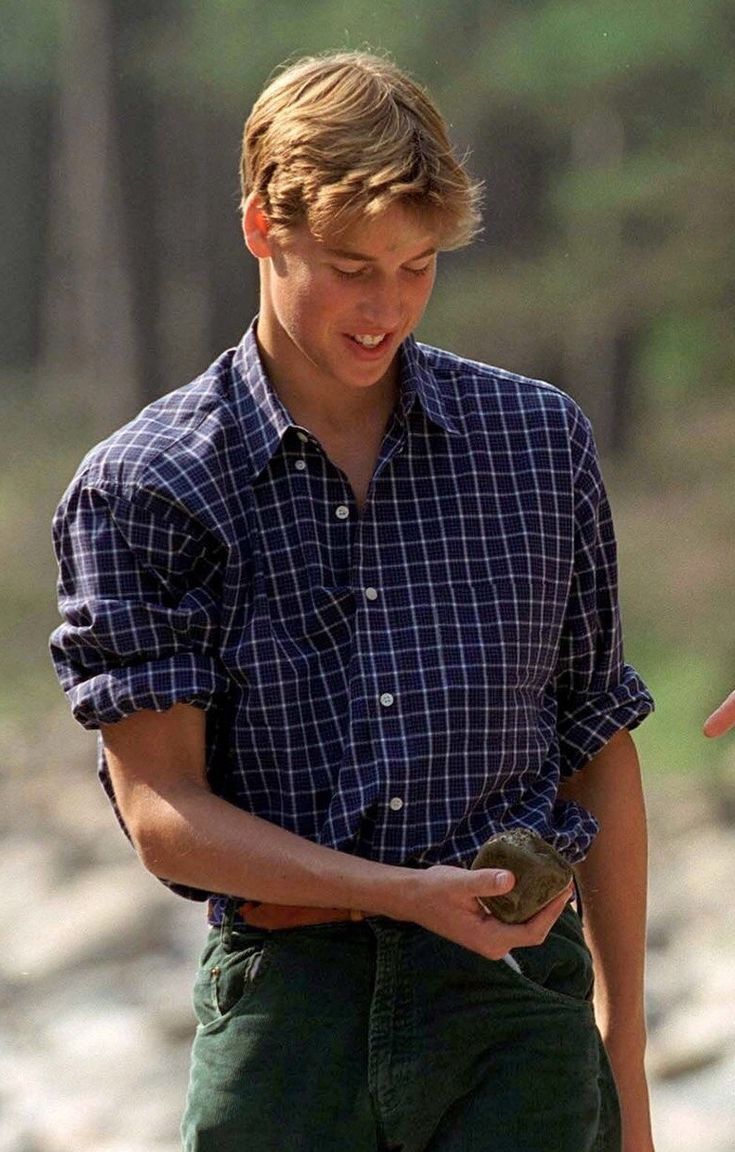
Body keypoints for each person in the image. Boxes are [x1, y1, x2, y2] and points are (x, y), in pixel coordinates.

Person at [50, 51, 656, 1152]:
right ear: (259, 229)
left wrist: (625, 1061)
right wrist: (399, 892)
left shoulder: (536, 444)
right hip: (289, 1016)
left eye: (417, 267)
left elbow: (598, 741)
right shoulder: (147, 486)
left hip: (522, 1019)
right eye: (349, 266)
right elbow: (163, 818)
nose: (385, 309)